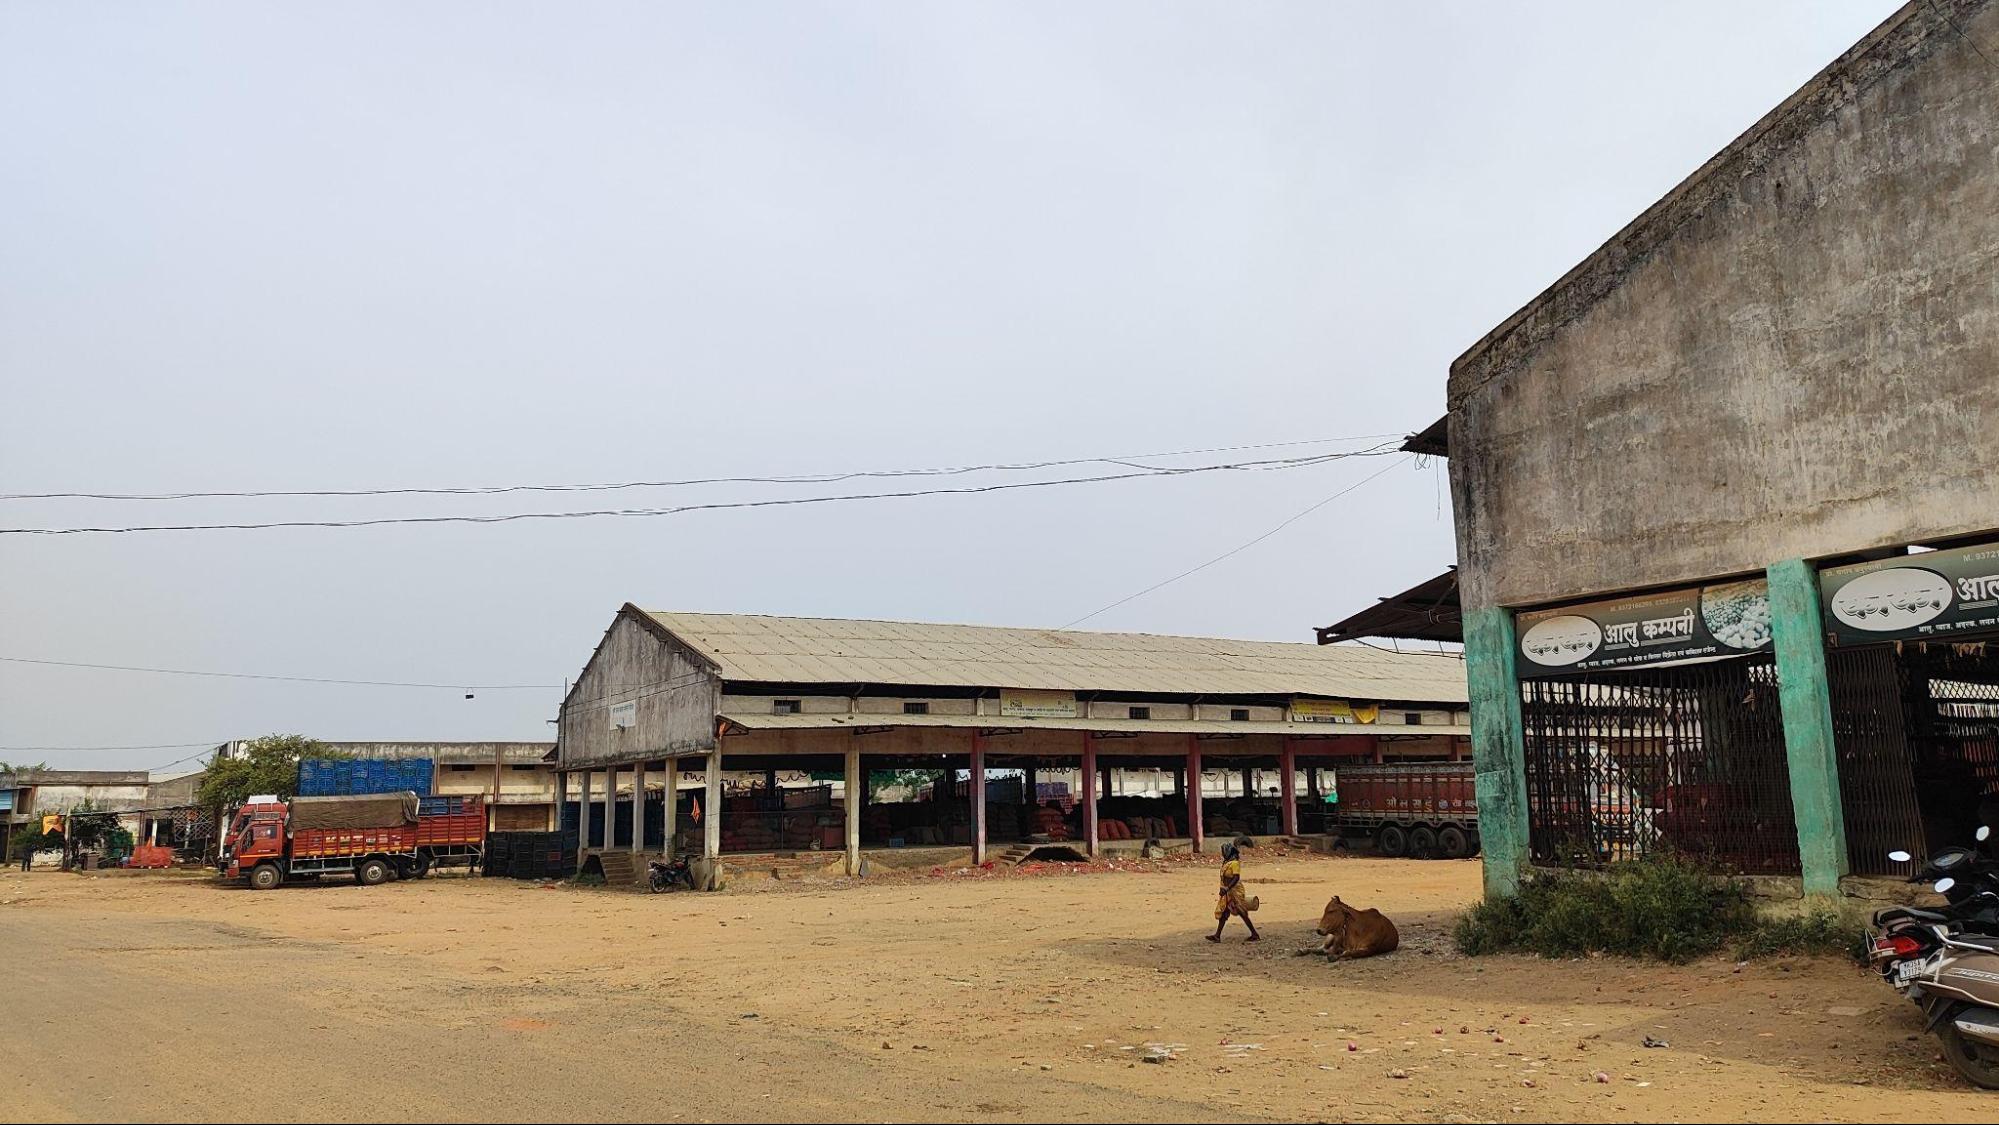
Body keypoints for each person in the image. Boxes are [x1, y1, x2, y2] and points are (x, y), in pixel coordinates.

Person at [1207, 842, 1259, 942]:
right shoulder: (1227, 862)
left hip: (1235, 891)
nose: (1223, 854)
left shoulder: (1234, 863)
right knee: (1224, 912)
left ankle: (1254, 933)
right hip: (1227, 891)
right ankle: (1217, 935)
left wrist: (1227, 888)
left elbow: (1236, 877)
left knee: (1241, 912)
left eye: (1224, 851)